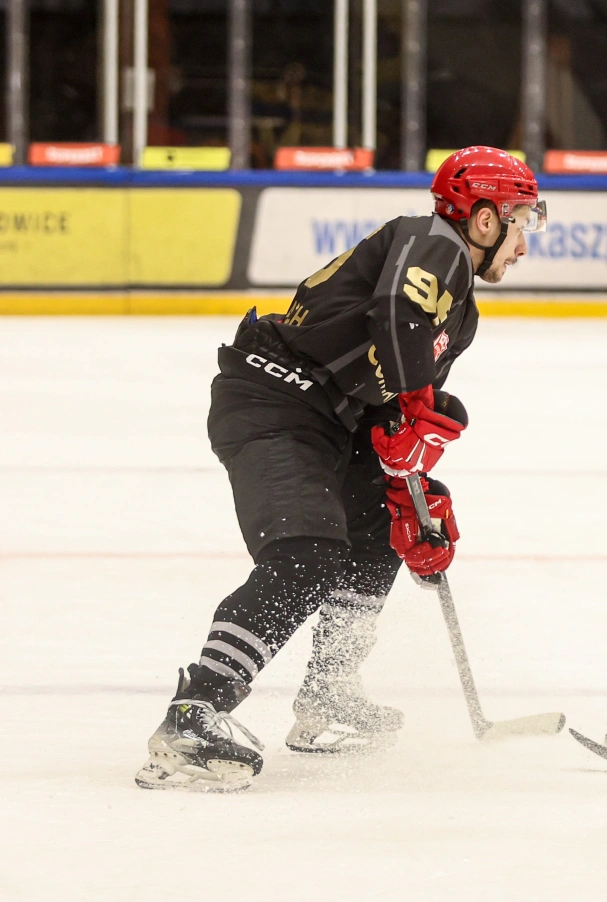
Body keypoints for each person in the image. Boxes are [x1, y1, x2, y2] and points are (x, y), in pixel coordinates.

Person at [134, 146, 546, 792]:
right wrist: (415, 408)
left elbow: (391, 424)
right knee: (307, 554)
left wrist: (416, 496)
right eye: (521, 222)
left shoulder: (461, 315)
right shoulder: (434, 243)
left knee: (382, 522)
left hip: (332, 418)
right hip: (273, 395)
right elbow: (395, 316)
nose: (523, 245)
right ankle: (195, 712)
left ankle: (328, 690)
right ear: (485, 219)